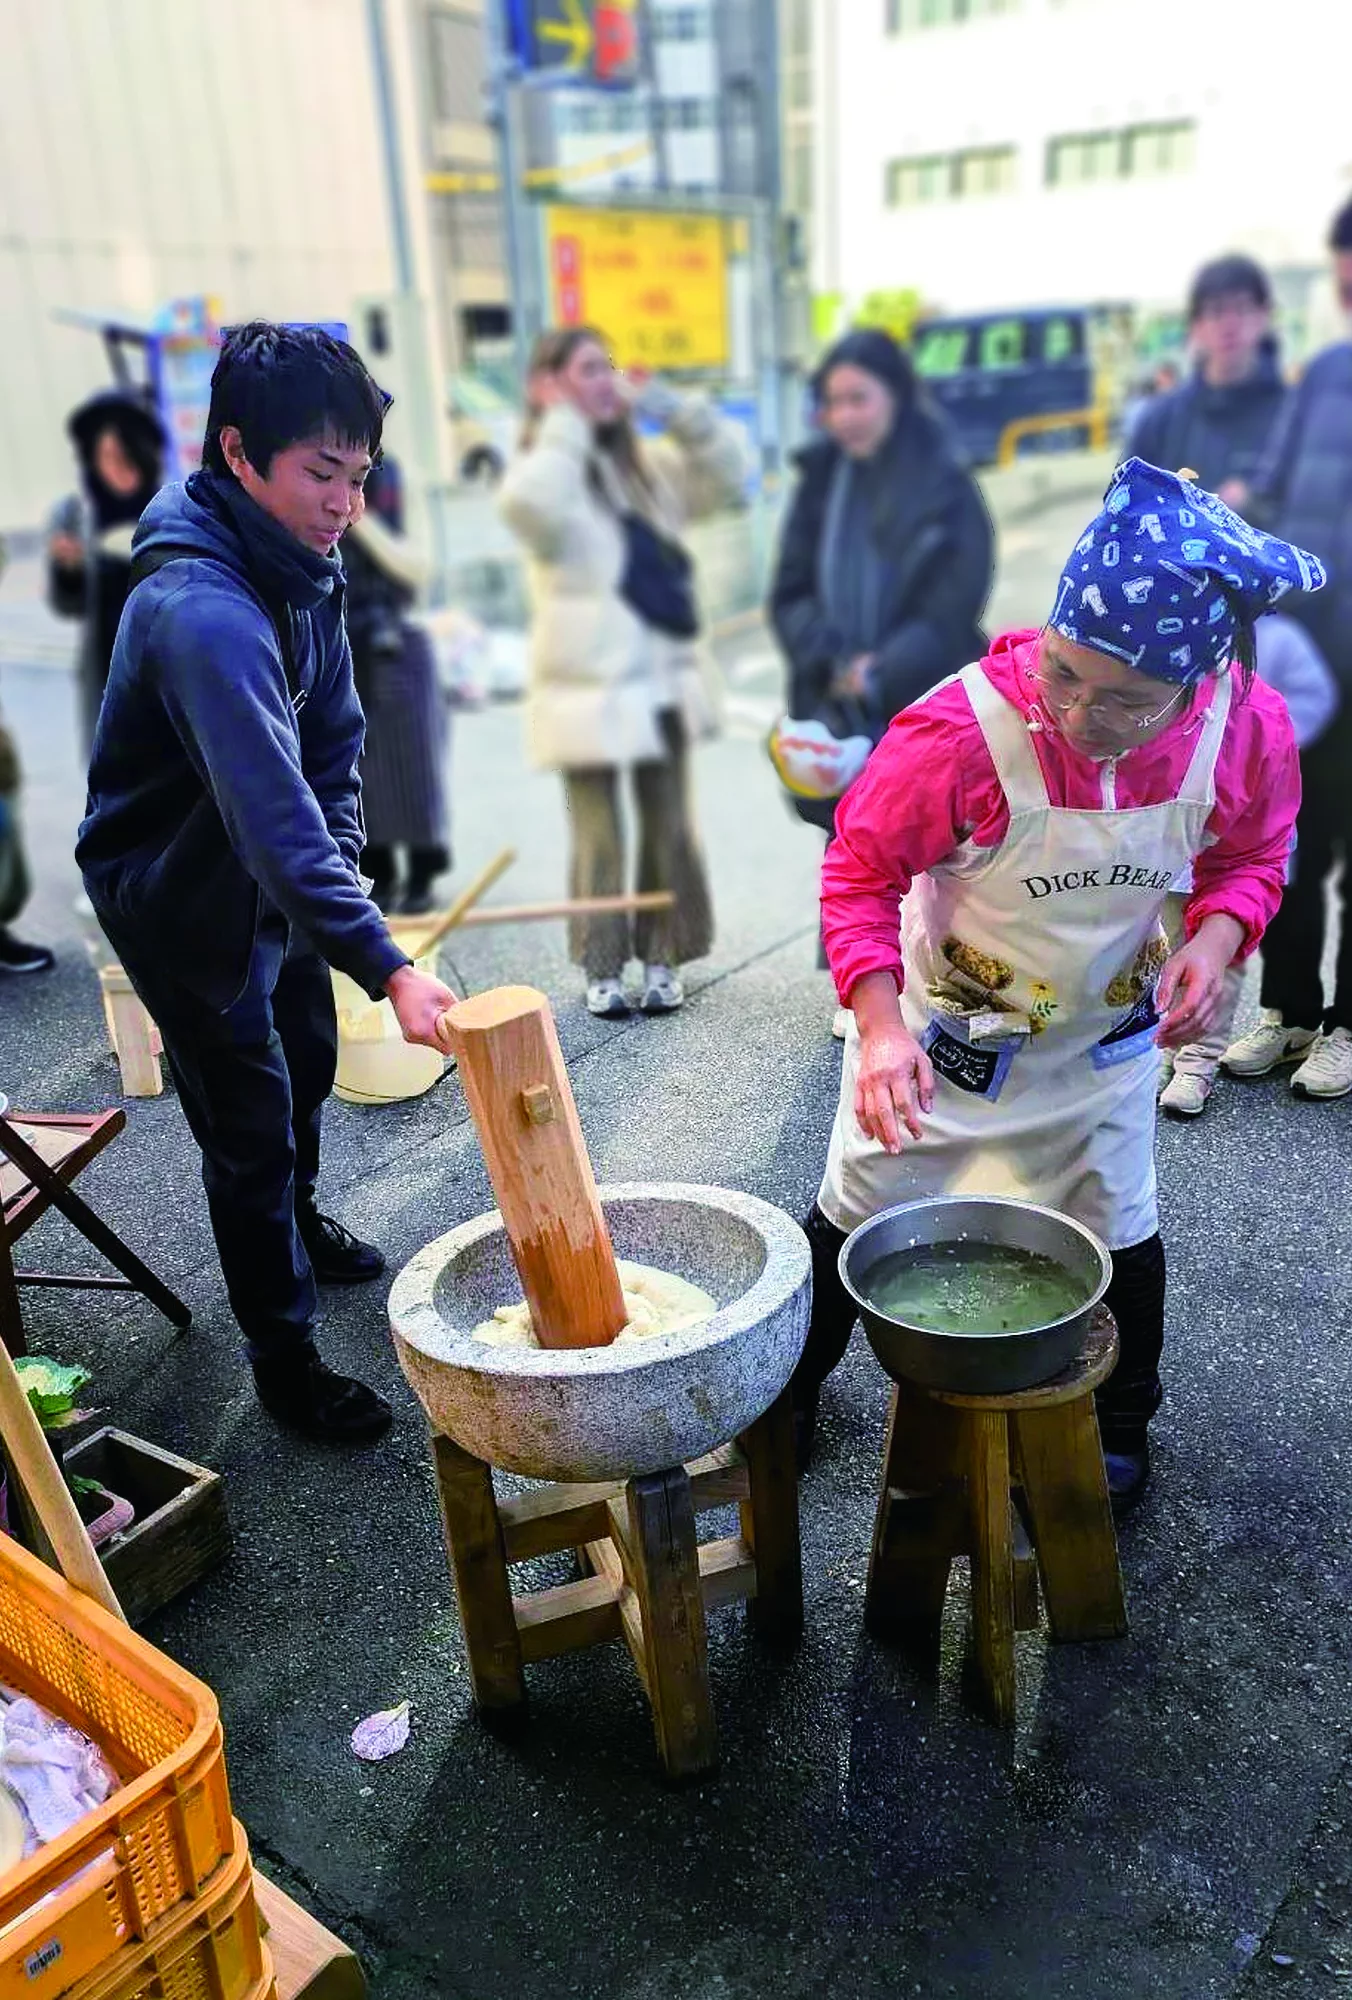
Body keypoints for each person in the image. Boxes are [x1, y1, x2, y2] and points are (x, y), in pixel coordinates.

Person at [792, 459, 1319, 1508]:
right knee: (860, 1204)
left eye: (1126, 700)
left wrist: (1213, 944)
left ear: (1196, 680)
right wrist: (877, 1022)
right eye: (1064, 674)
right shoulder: (959, 730)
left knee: (1114, 1222)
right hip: (944, 1037)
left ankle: (1119, 1426)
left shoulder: (1241, 728)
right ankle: (785, 1391)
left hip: (1104, 1039)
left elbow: (1253, 855)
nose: (1080, 715)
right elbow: (859, 869)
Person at [76, 323, 456, 1444]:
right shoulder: (201, 609)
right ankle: (282, 1356)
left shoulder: (304, 562)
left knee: (307, 1062)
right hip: (180, 891)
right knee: (245, 1119)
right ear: (238, 454)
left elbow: (331, 743)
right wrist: (386, 961)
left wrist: (338, 870)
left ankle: (298, 1215)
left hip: (273, 870)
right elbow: (267, 821)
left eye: (359, 475)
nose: (344, 502)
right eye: (319, 474)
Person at [499, 327, 743, 1018]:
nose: (603, 382)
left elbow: (729, 472)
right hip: (586, 687)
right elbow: (530, 508)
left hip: (661, 676)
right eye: (585, 371)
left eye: (607, 369)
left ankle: (663, 953)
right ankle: (602, 962)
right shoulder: (548, 465)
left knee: (669, 825)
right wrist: (565, 424)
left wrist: (666, 402)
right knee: (598, 836)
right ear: (551, 386)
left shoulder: (652, 467)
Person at [767, 328, 994, 1036]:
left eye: (858, 398)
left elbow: (958, 596)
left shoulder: (945, 483)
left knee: (933, 844)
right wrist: (835, 659)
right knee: (851, 842)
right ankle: (864, 984)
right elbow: (789, 591)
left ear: (895, 397)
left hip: (920, 691)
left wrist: (886, 666)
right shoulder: (819, 482)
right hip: (835, 693)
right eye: (833, 401)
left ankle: (938, 977)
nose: (845, 416)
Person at [1219, 195, 1352, 1100]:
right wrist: (1226, 512)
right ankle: (1291, 1010)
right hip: (1309, 660)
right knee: (1292, 837)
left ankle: (1348, 1026)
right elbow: (1268, 491)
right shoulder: (1327, 373)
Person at [1159, 611, 1337, 1115]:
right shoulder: (1168, 639)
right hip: (1173, 834)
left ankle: (1197, 1066)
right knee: (1169, 945)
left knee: (1220, 952)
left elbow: (1315, 697)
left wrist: (1262, 743)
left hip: (1240, 824)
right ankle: (1175, 1048)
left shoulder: (1276, 641)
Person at [342, 456, 452, 915]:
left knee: (414, 768)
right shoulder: (304, 482)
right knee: (359, 772)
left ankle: (423, 871)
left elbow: (419, 569)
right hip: (339, 640)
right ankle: (379, 873)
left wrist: (357, 515)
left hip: (397, 638)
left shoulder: (397, 480)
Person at [48, 389, 168, 750]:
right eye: (106, 456)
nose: (116, 467)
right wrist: (68, 571)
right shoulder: (75, 514)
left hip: (167, 671)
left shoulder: (172, 509)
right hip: (108, 676)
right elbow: (69, 605)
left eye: (126, 454)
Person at [1128, 256, 1287, 510]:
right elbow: (1125, 511)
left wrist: (1254, 504)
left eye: (1242, 308)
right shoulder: (1160, 421)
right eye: (1216, 311)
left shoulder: (1292, 413)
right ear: (1196, 326)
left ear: (1264, 316)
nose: (1230, 325)